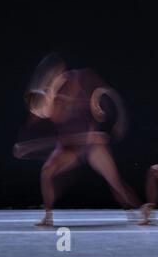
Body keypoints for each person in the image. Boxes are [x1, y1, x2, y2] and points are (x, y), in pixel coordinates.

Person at [13, 53, 142, 226]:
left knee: (116, 185)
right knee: (47, 172)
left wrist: (103, 105)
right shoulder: (48, 102)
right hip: (70, 147)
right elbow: (43, 120)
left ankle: (142, 210)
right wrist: (25, 146)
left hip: (91, 145)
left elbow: (100, 88)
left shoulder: (76, 82)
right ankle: (48, 215)